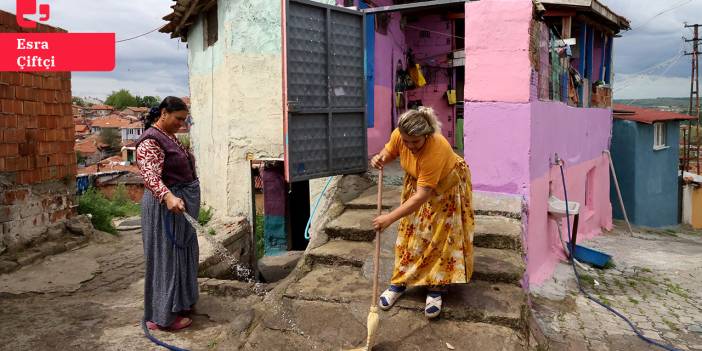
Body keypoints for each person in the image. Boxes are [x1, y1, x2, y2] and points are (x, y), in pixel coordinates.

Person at [370, 107, 474, 319]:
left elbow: (421, 197)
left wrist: (389, 218)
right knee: (410, 234)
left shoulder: (436, 149)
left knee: (439, 238)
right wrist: (380, 157)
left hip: (445, 186)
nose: (409, 146)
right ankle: (399, 282)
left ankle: (436, 289)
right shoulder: (401, 134)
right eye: (406, 141)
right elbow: (391, 150)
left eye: (415, 142)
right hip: (417, 181)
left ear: (426, 136)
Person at [136, 96, 200, 331]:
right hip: (165, 210)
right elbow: (150, 176)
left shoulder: (168, 137)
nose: (181, 124)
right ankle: (163, 317)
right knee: (167, 260)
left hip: (179, 209)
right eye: (178, 119)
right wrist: (168, 196)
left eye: (184, 120)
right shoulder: (150, 141)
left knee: (183, 256)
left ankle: (180, 303)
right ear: (163, 113)